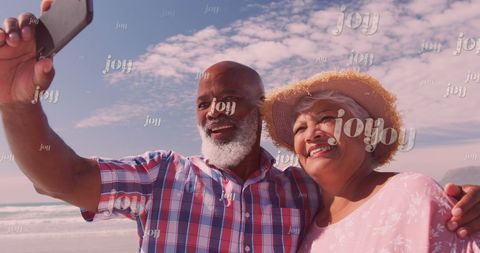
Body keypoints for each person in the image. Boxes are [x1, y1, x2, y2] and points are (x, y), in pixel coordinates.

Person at [0, 1, 479, 252]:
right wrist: (17, 105)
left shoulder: (300, 191)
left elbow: (371, 199)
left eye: (230, 100)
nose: (215, 112)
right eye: (204, 103)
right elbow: (60, 178)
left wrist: (462, 204)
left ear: (258, 109)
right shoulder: (161, 177)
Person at [262, 70, 480, 252]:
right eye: (300, 128)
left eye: (327, 118)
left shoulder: (412, 193)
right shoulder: (305, 224)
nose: (311, 135)